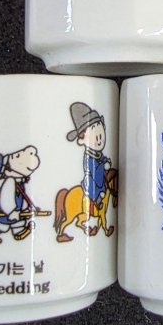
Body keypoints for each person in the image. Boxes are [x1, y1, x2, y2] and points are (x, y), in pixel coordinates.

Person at [54, 102, 117, 242]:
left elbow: (101, 158)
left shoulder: (97, 154)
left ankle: (89, 226)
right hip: (92, 181)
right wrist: (103, 165)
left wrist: (105, 161)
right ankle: (62, 231)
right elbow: (94, 169)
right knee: (98, 193)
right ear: (81, 140)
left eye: (101, 134)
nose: (100, 139)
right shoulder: (88, 157)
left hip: (99, 178)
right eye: (95, 136)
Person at [0, 146, 41, 244]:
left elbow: (21, 197)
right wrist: (12, 211)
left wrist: (26, 208)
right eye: (17, 156)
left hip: (16, 211)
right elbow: (6, 200)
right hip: (6, 211)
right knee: (2, 226)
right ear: (8, 167)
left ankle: (19, 233)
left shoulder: (19, 182)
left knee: (18, 224)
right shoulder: (10, 181)